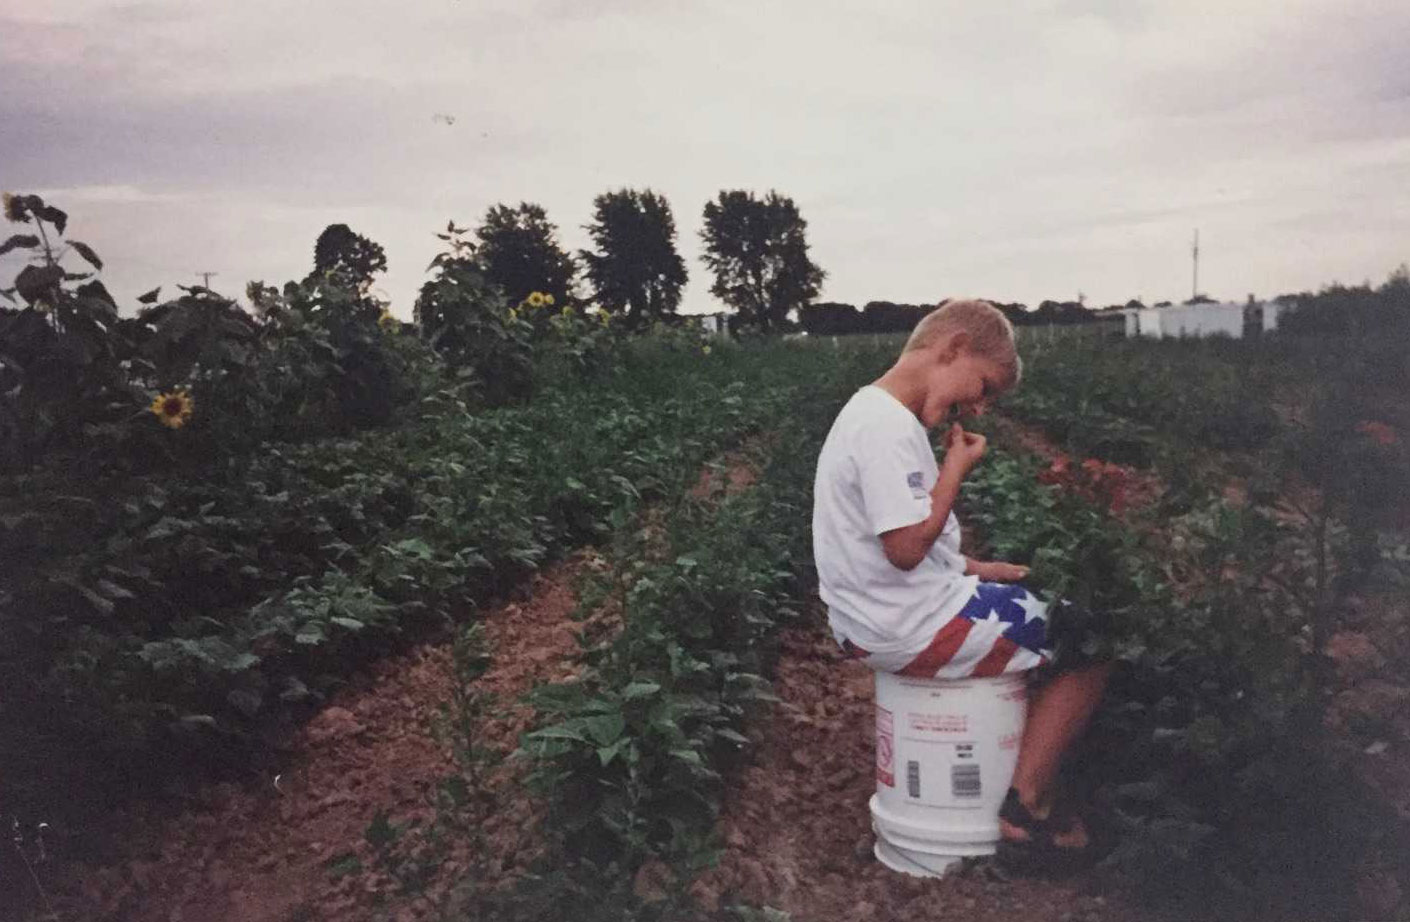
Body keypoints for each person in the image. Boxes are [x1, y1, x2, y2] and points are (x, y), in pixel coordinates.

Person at [811, 298, 1112, 872]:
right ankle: (1025, 810)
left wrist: (975, 568)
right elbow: (903, 550)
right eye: (984, 387)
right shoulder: (885, 427)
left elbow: (886, 540)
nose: (979, 406)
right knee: (1093, 636)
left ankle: (1022, 787)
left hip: (886, 614)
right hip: (910, 624)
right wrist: (954, 470)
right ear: (951, 349)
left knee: (1045, 604)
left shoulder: (872, 414)